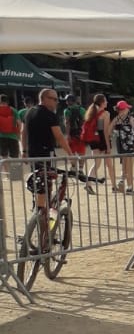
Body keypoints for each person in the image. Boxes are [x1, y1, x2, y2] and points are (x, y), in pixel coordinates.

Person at [22, 87, 71, 244]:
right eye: (54, 99)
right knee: (47, 191)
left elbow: (23, 132)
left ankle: (39, 214)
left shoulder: (29, 112)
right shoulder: (49, 115)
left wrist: (24, 151)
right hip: (46, 155)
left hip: (33, 155)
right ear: (44, 99)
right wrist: (71, 155)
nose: (56, 102)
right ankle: (45, 230)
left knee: (40, 187)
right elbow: (59, 136)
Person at [110, 100, 134, 192]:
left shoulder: (116, 119)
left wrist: (115, 134)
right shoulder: (130, 119)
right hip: (129, 145)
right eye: (127, 108)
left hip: (121, 145)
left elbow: (109, 130)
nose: (128, 109)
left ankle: (122, 181)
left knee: (124, 165)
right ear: (124, 109)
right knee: (129, 167)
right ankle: (129, 187)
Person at [0, 93, 19, 159]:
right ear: (8, 101)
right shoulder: (13, 110)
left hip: (1, 136)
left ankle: (6, 166)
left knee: (4, 157)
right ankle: (12, 166)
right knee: (14, 157)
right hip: (13, 136)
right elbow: (19, 123)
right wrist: (18, 134)